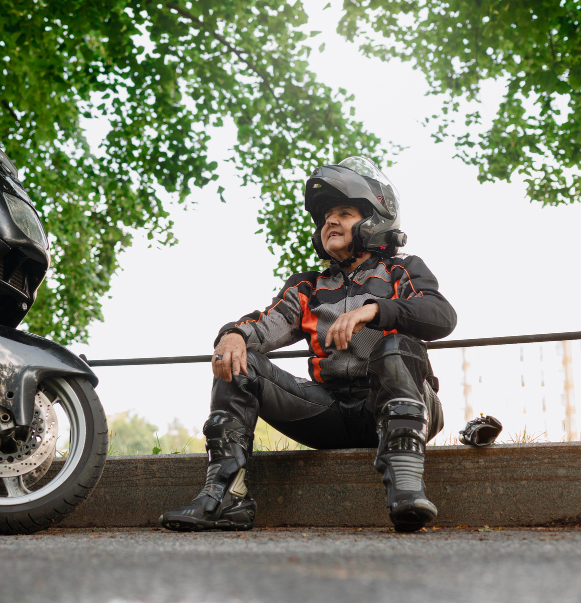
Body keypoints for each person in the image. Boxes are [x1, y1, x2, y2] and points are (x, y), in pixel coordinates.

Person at [160, 156, 456, 533]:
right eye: (326, 216)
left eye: (344, 212)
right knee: (241, 361)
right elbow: (265, 326)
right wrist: (232, 334)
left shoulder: (402, 269)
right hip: (330, 412)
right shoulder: (309, 287)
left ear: (374, 220)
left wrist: (374, 311)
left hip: (397, 407)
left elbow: (441, 315)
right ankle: (225, 498)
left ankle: (407, 490)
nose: (330, 221)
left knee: (395, 345)